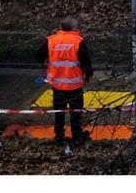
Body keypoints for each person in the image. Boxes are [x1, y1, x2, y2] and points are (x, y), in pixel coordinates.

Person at [36, 16, 93, 146]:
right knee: (75, 113)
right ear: (73, 28)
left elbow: (38, 55)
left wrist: (47, 62)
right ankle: (76, 136)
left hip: (57, 84)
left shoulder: (51, 41)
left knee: (59, 112)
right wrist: (88, 75)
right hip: (74, 85)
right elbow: (86, 63)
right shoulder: (78, 42)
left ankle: (59, 136)